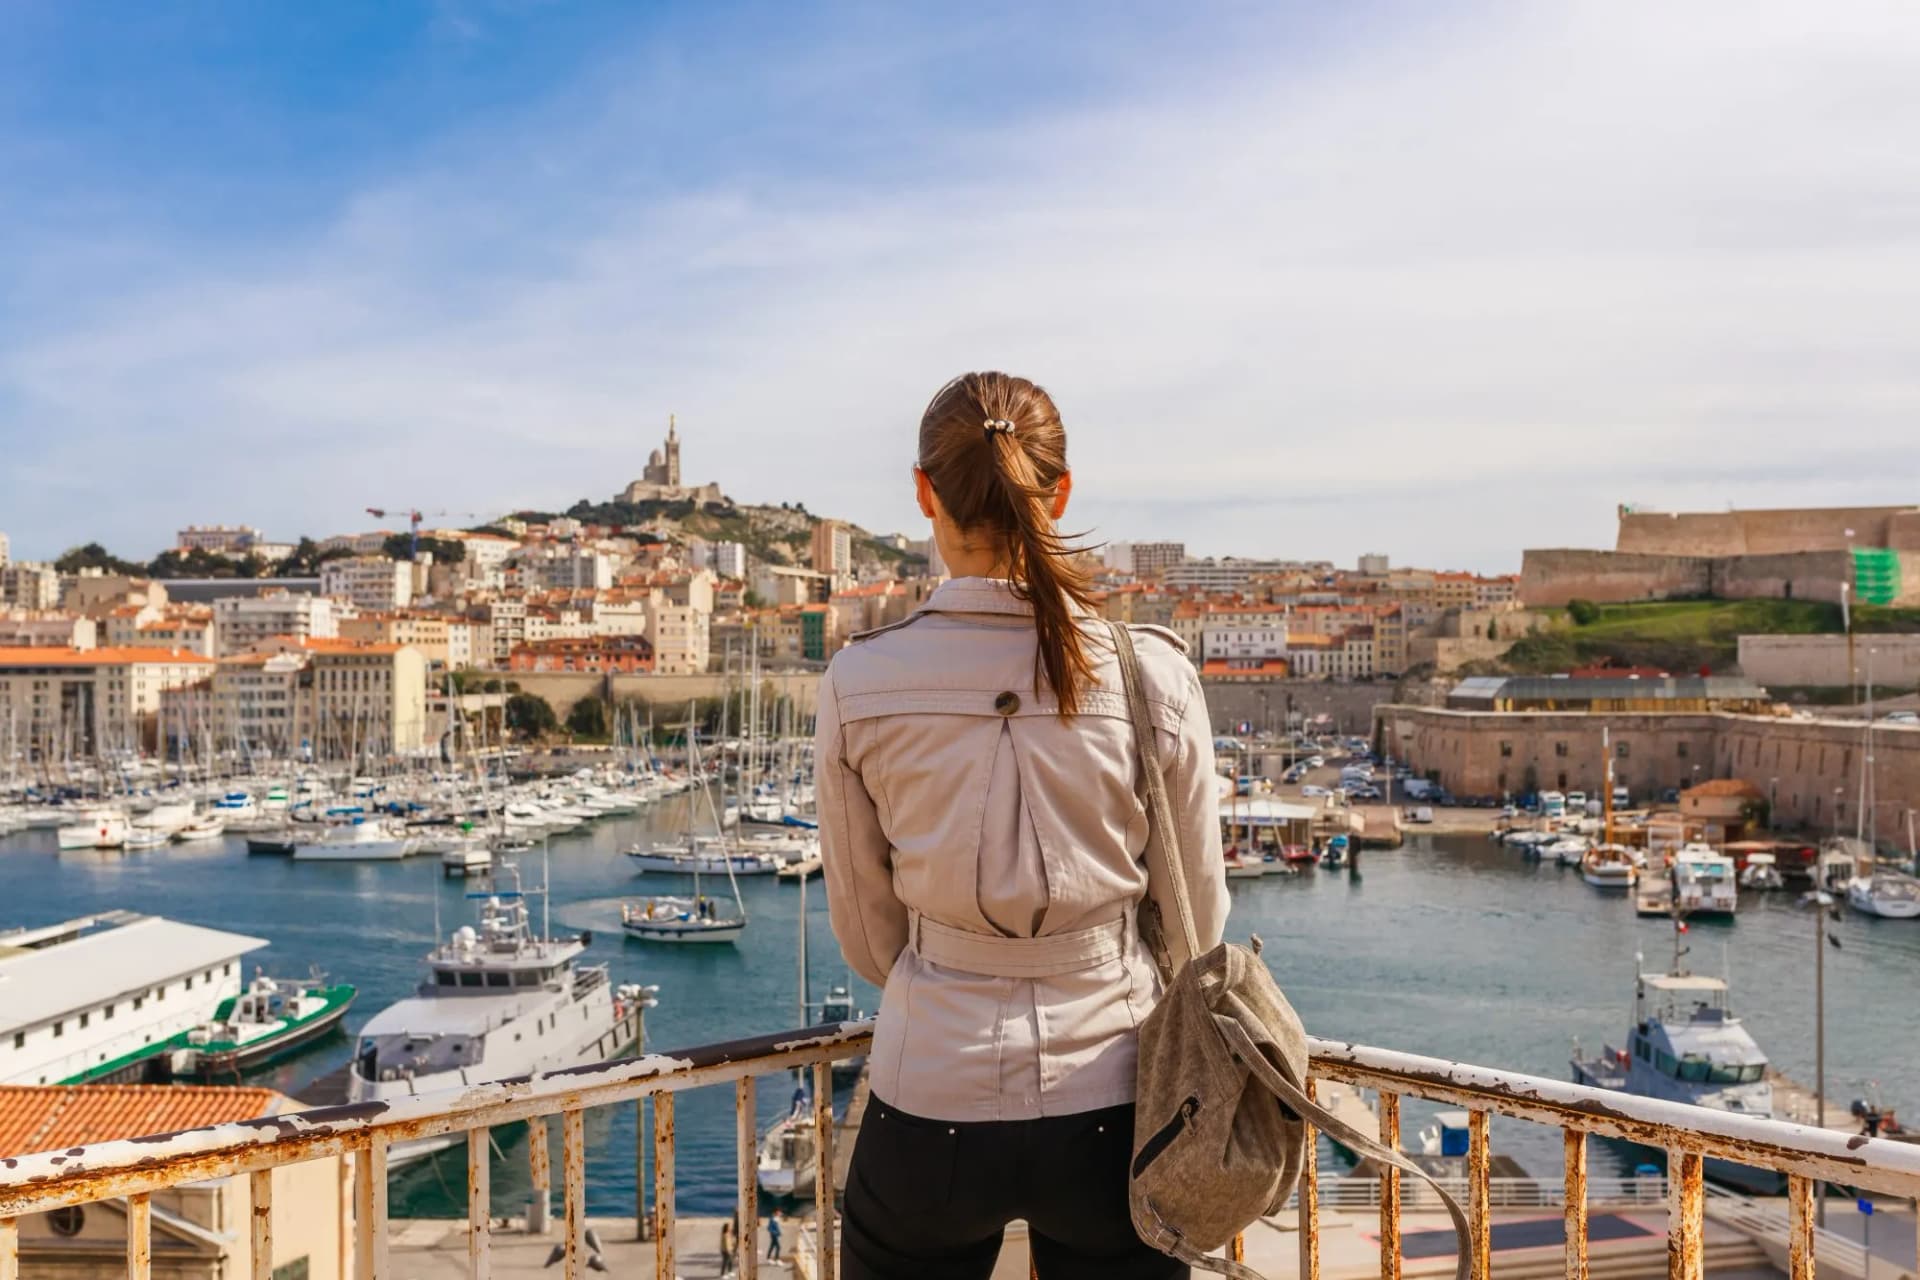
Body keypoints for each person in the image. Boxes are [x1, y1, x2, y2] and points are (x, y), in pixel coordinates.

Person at [816, 372, 1229, 1280]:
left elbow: (863, 924)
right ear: (1061, 490)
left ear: (924, 493)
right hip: (1119, 1101)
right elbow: (1198, 912)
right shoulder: (1150, 673)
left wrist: (954, 969)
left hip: (927, 1090)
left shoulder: (858, 681)